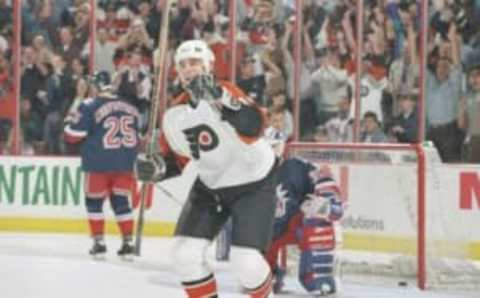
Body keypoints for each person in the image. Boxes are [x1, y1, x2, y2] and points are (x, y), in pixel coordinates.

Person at [135, 39, 278, 298]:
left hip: (253, 181)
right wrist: (154, 169)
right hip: (211, 185)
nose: (189, 69)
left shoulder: (225, 90)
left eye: (195, 63)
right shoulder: (174, 115)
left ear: (209, 66)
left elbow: (254, 126)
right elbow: (176, 161)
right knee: (183, 254)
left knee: (245, 261)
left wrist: (219, 101)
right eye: (184, 64)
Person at [64, 71, 139, 260]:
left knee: (94, 203)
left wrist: (68, 121)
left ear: (95, 86)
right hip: (125, 163)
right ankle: (128, 242)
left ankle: (99, 242)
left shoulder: (90, 105)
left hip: (98, 163)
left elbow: (72, 136)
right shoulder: (130, 106)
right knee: (121, 203)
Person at [264, 136, 344, 296]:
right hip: (271, 230)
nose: (268, 151)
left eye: (273, 146)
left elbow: (335, 207)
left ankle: (320, 278)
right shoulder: (251, 173)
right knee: (253, 231)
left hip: (298, 225)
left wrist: (325, 205)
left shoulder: (297, 167)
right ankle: (268, 275)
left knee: (316, 220)